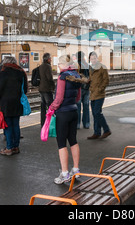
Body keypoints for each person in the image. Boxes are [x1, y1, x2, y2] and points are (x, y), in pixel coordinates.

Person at [49, 55, 82, 184]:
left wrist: (52, 108)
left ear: (63, 64)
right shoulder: (76, 76)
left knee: (61, 143)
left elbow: (59, 98)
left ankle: (64, 173)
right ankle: (76, 169)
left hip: (63, 113)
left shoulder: (63, 77)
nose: (57, 66)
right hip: (74, 111)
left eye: (58, 64)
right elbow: (78, 97)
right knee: (73, 140)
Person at [0, 56, 28, 156]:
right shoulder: (21, 72)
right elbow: (25, 89)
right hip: (17, 102)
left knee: (8, 125)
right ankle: (15, 147)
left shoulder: (3, 73)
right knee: (16, 124)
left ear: (5, 62)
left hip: (6, 103)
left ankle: (9, 148)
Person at [87, 51, 111, 139]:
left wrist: (100, 89)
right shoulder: (90, 68)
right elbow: (92, 79)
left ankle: (106, 130)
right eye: (91, 58)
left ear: (97, 58)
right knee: (94, 113)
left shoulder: (102, 67)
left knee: (97, 112)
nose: (93, 60)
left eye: (94, 58)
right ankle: (97, 132)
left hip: (99, 94)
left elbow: (106, 80)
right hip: (92, 93)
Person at [38, 53, 55, 127]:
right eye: (50, 58)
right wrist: (53, 86)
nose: (51, 59)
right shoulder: (48, 67)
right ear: (48, 59)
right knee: (50, 107)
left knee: (43, 107)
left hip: (41, 88)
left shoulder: (41, 66)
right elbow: (49, 78)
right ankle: (50, 123)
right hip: (47, 89)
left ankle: (43, 123)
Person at [76, 51, 90, 129]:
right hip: (87, 88)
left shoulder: (77, 65)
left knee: (78, 106)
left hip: (80, 88)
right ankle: (86, 124)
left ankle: (77, 124)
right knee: (86, 106)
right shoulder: (87, 65)